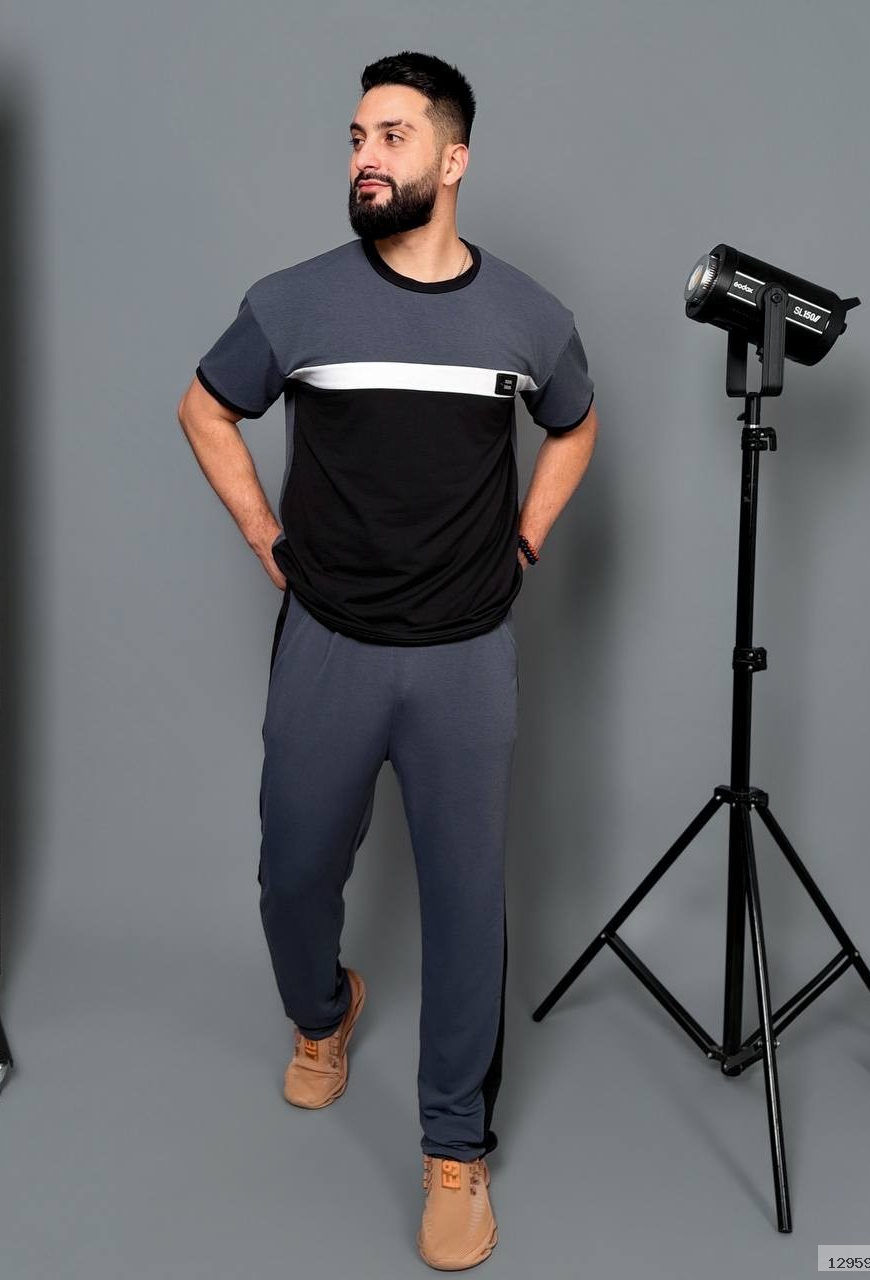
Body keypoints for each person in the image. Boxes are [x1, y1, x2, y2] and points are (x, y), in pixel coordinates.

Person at [177, 49, 597, 1272]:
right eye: (357, 136)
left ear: (452, 159)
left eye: (393, 135)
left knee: (466, 906)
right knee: (294, 874)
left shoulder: (529, 315)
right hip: (329, 642)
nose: (366, 155)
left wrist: (527, 534)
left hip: (465, 654)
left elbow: (574, 424)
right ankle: (324, 1011)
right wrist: (263, 531)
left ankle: (455, 1146)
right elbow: (207, 406)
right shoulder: (294, 302)